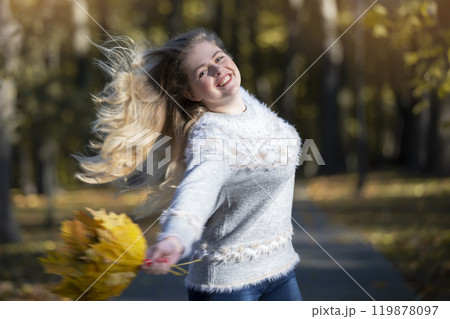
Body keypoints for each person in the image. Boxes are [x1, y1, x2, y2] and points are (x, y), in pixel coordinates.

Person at [75, 28, 303, 301]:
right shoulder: (211, 137)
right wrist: (175, 237)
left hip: (281, 270)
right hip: (228, 288)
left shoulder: (249, 103)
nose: (217, 70)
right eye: (202, 72)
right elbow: (197, 191)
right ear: (192, 94)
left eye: (219, 59)